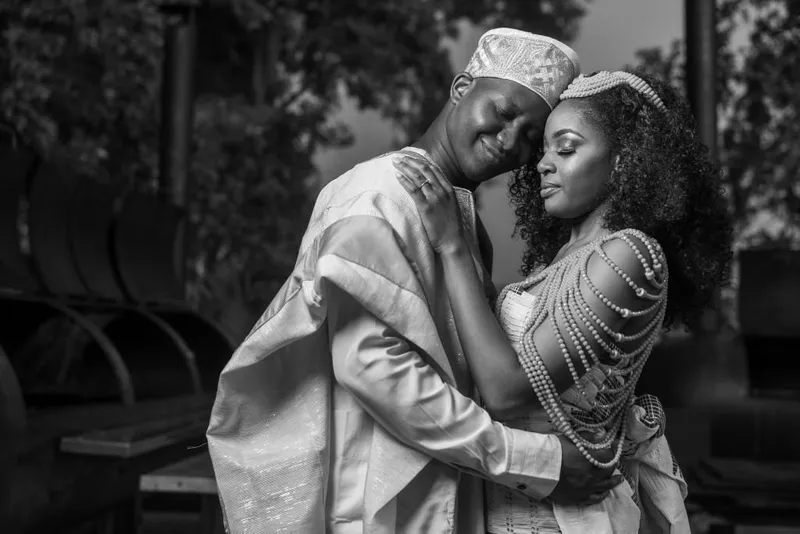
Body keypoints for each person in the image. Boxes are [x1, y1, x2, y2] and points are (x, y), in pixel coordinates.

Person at [206, 29, 623, 534]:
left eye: (533, 137)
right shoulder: (379, 192)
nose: (513, 141)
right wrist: (534, 462)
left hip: (446, 491)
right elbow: (375, 368)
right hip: (375, 502)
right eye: (505, 113)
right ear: (462, 86)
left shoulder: (459, 219)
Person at [393, 69, 733, 532]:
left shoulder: (628, 254)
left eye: (566, 148)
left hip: (562, 518)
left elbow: (507, 391)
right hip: (516, 497)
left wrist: (452, 244)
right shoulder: (568, 258)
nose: (542, 164)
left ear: (624, 160)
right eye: (545, 149)